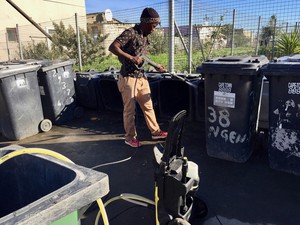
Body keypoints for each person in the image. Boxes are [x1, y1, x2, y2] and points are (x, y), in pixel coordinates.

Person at [109, 7, 168, 148]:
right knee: (130, 110)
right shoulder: (130, 33)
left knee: (148, 107)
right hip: (128, 78)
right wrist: (131, 58)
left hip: (141, 77)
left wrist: (155, 65)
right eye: (153, 26)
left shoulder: (144, 36)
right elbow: (113, 47)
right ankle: (130, 138)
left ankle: (155, 131)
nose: (154, 29)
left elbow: (143, 56)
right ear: (146, 22)